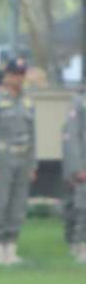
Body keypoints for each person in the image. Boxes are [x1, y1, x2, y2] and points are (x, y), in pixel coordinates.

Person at [0, 58, 38, 266]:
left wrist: (33, 164)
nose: (19, 78)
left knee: (17, 204)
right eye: (15, 74)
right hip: (1, 156)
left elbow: (32, 135)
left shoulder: (27, 100)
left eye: (22, 74)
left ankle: (11, 246)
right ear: (7, 75)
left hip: (22, 157)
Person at [63, 84, 86, 263]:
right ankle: (80, 245)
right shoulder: (79, 102)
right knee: (82, 208)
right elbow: (73, 136)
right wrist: (77, 166)